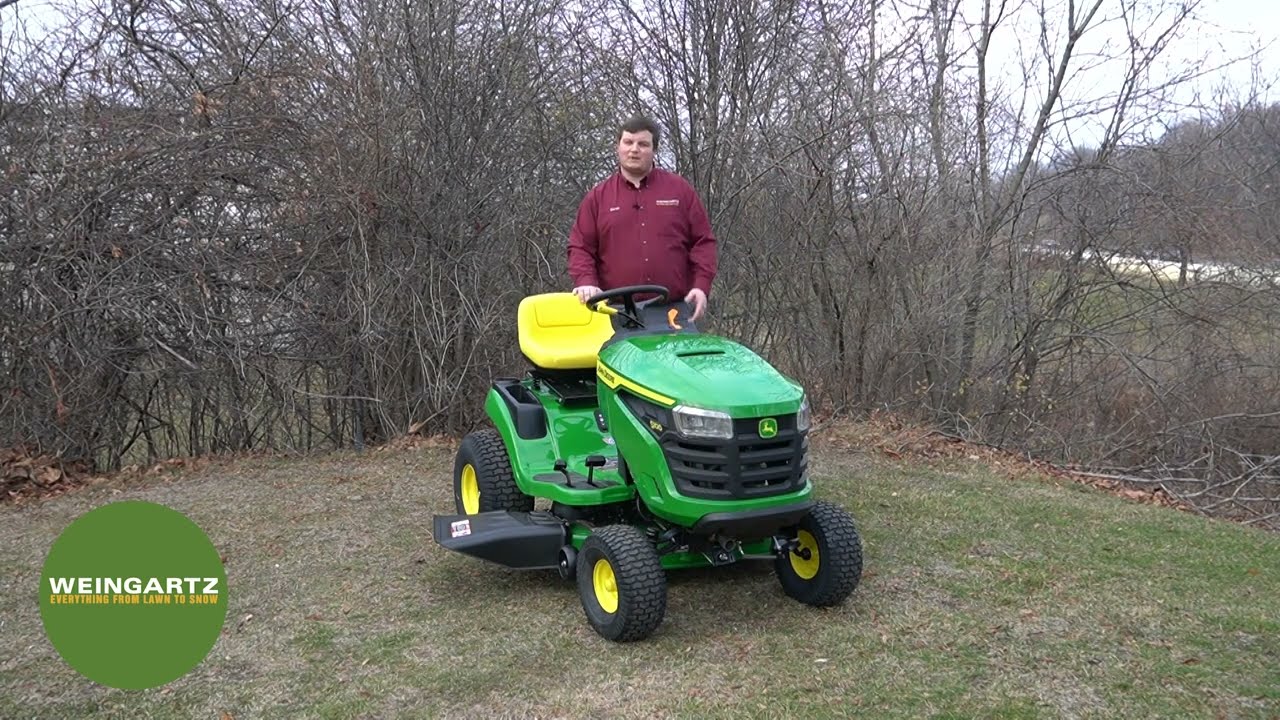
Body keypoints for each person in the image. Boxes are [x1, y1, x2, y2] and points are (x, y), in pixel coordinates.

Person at [567, 115, 717, 321]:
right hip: (616, 312)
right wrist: (586, 282)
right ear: (617, 147)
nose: (634, 149)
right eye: (628, 142)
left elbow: (703, 242)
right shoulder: (598, 198)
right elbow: (580, 247)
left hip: (675, 310)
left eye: (643, 144)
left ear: (654, 150)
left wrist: (701, 286)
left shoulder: (679, 190)